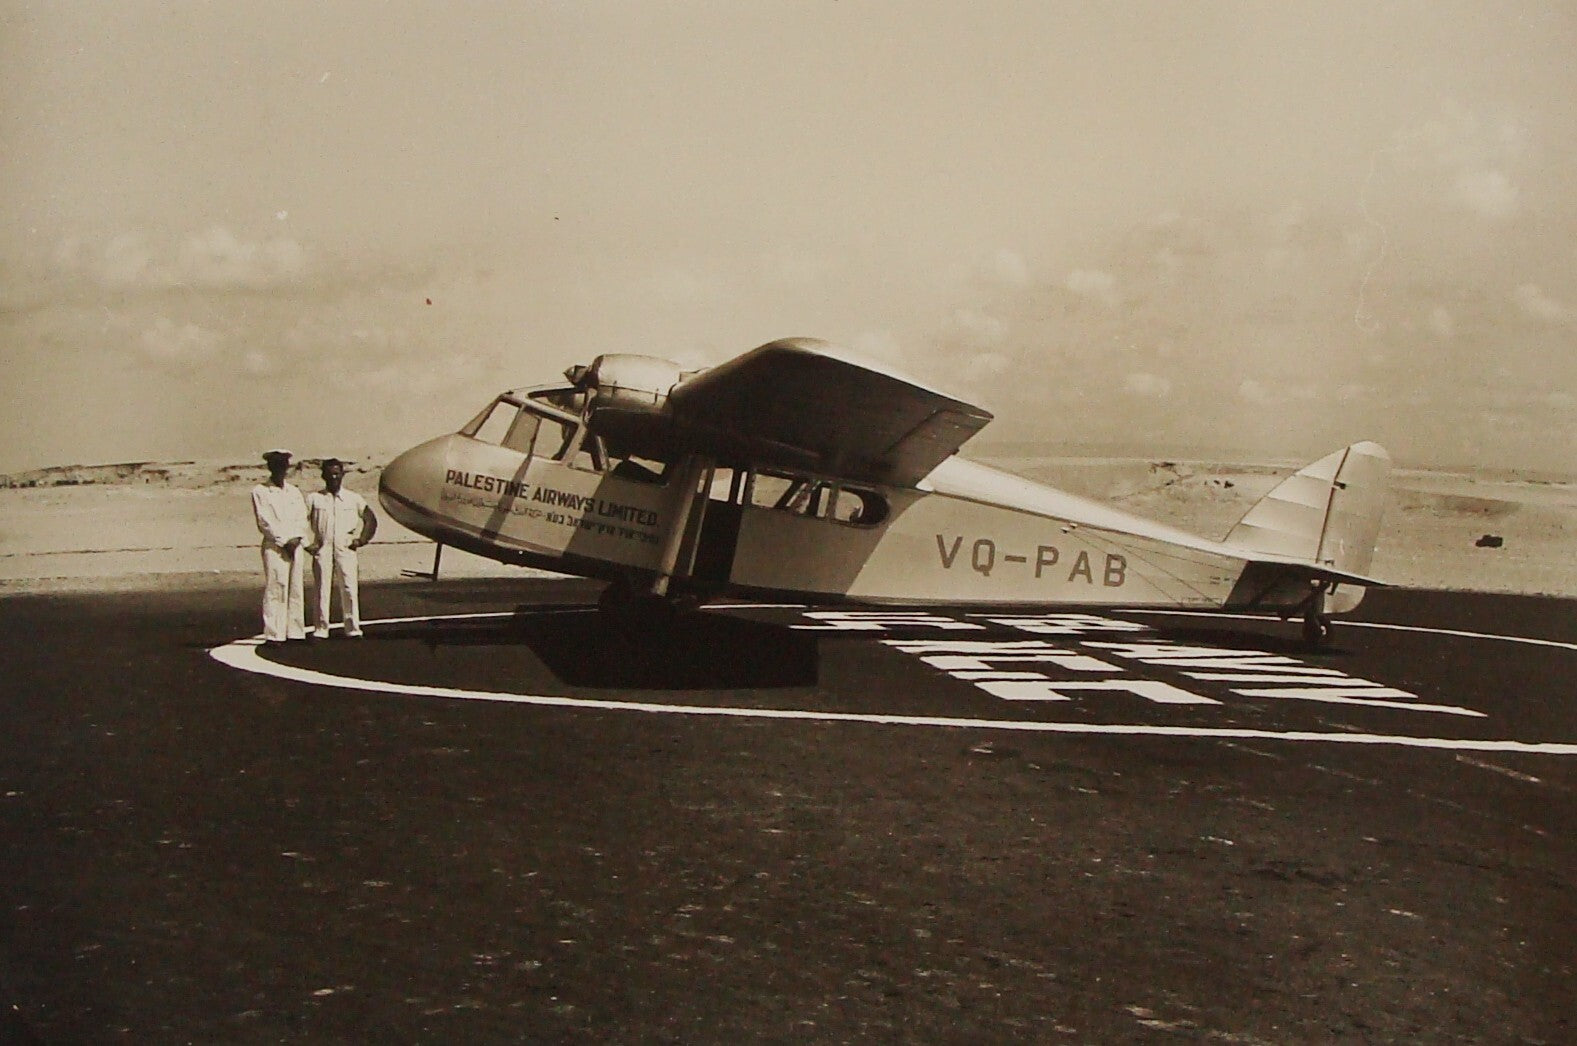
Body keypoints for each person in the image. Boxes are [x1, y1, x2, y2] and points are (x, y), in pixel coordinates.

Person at [306, 458, 378, 638]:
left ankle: (353, 628)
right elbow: (300, 520)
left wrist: (361, 540)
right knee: (322, 588)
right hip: (323, 546)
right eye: (330, 474)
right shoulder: (314, 498)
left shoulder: (353, 498)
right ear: (323, 475)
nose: (334, 477)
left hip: (345, 547)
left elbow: (370, 518)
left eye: (337, 473)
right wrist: (308, 543)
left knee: (349, 587)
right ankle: (321, 628)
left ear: (343, 475)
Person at [251, 449, 310, 644]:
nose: (280, 469)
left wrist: (296, 539)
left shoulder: (294, 491)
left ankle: (295, 632)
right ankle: (274, 634)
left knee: (295, 588)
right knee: (276, 587)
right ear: (269, 467)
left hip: (296, 544)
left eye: (283, 465)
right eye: (276, 465)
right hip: (275, 547)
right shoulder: (260, 491)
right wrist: (284, 541)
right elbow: (264, 521)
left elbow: (302, 517)